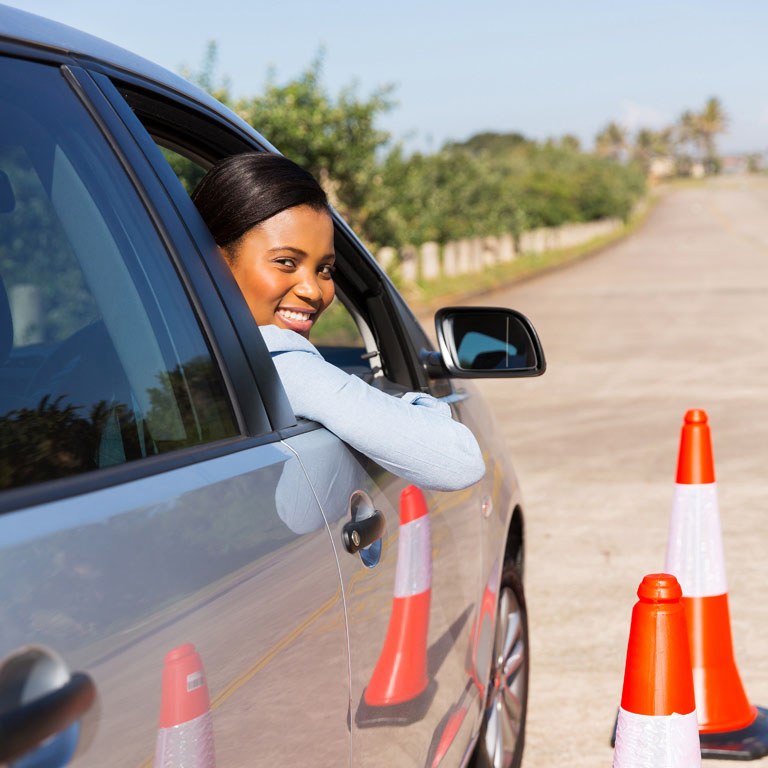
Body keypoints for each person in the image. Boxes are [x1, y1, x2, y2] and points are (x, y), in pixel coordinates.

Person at [192, 153, 485, 492]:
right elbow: (460, 462)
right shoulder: (281, 360)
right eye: (286, 262)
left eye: (325, 270)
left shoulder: (177, 352)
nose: (313, 291)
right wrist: (418, 408)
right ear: (211, 262)